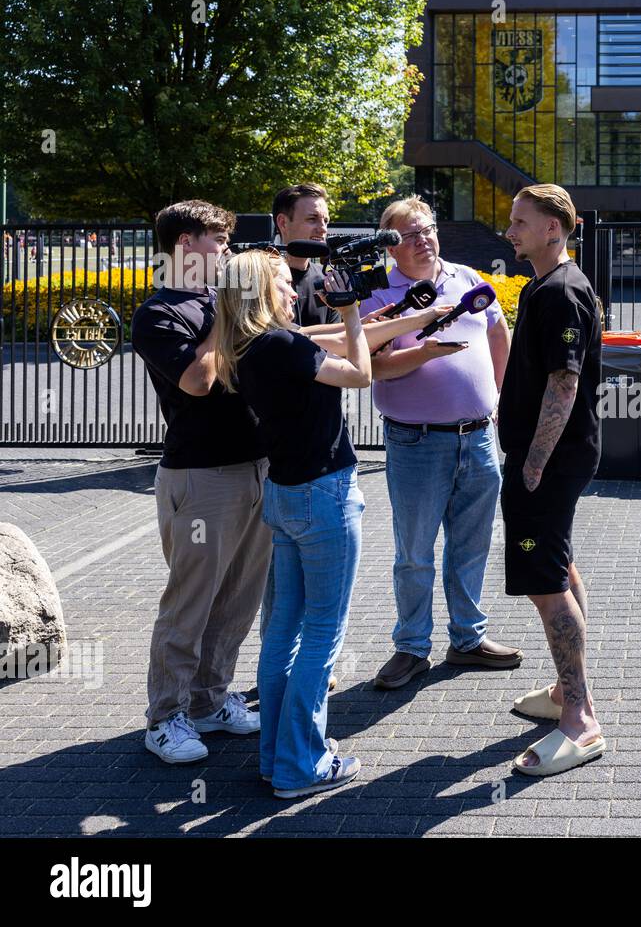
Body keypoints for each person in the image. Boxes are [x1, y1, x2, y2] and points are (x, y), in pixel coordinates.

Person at [212, 249, 460, 797]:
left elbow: (324, 341)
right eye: (281, 284)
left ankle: (278, 757)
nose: (291, 291)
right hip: (323, 495)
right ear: (258, 293)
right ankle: (302, 765)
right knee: (322, 634)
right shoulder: (283, 344)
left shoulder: (251, 347)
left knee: (284, 632)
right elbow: (360, 374)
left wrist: (383, 318)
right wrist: (352, 314)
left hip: (284, 494)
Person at [359, 196, 521, 690]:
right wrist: (426, 352)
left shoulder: (469, 279)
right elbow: (371, 365)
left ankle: (467, 639)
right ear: (390, 245)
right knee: (414, 552)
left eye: (427, 229)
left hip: (477, 439)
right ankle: (411, 647)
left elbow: (499, 333)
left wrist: (496, 396)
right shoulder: (378, 295)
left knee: (471, 547)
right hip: (416, 441)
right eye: (408, 234)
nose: (423, 239)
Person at [131, 200, 268, 764]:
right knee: (191, 603)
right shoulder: (160, 314)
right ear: (186, 245)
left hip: (256, 469)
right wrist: (224, 313)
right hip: (200, 477)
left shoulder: (221, 302)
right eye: (220, 241)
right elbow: (197, 380)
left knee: (238, 601)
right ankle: (165, 718)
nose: (229, 252)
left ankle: (210, 703)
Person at [498, 184, 606, 776]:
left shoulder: (562, 290)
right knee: (558, 564)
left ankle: (581, 719)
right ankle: (569, 692)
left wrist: (534, 461)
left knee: (544, 581)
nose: (510, 231)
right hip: (548, 456)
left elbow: (564, 384)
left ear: (553, 229)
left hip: (549, 461)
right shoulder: (546, 284)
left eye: (520, 222)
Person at [272, 182, 339, 328]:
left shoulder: (326, 281)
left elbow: (338, 339)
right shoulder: (259, 278)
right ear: (283, 223)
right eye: (312, 219)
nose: (323, 229)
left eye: (325, 221)